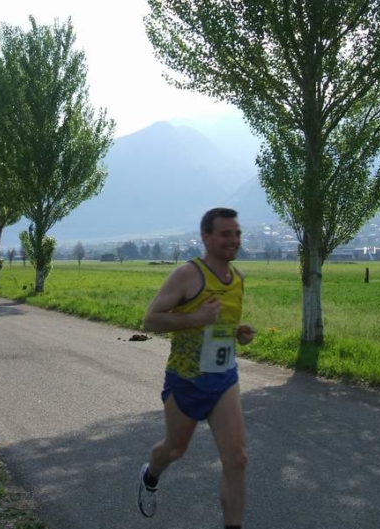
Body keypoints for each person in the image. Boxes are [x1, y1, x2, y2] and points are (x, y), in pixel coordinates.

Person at [137, 207, 255, 529]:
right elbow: (150, 320)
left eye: (237, 233)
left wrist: (238, 333)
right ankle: (150, 475)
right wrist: (196, 318)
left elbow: (219, 326)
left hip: (224, 378)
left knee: (237, 459)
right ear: (206, 237)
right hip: (186, 379)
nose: (234, 240)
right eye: (226, 234)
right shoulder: (188, 275)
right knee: (175, 449)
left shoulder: (238, 278)